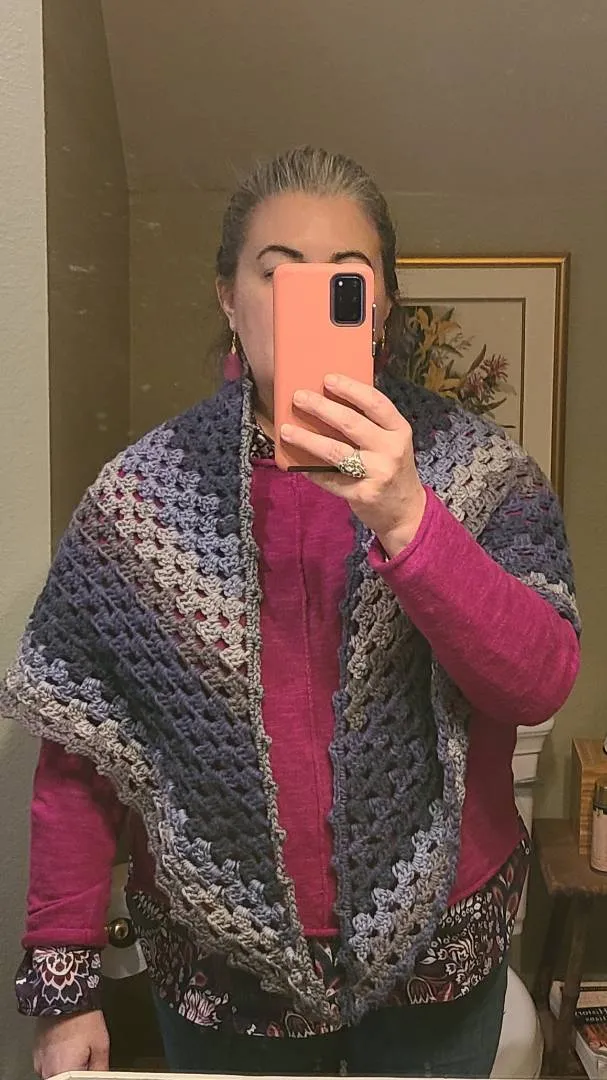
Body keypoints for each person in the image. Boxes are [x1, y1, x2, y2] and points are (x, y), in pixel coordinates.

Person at [1, 146, 580, 1078]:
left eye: (345, 278)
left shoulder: (480, 473)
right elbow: (78, 760)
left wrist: (408, 518)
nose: (308, 296)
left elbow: (536, 681)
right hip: (219, 967)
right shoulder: (141, 503)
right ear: (228, 298)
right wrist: (66, 994)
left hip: (440, 955)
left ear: (380, 305)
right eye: (277, 273)